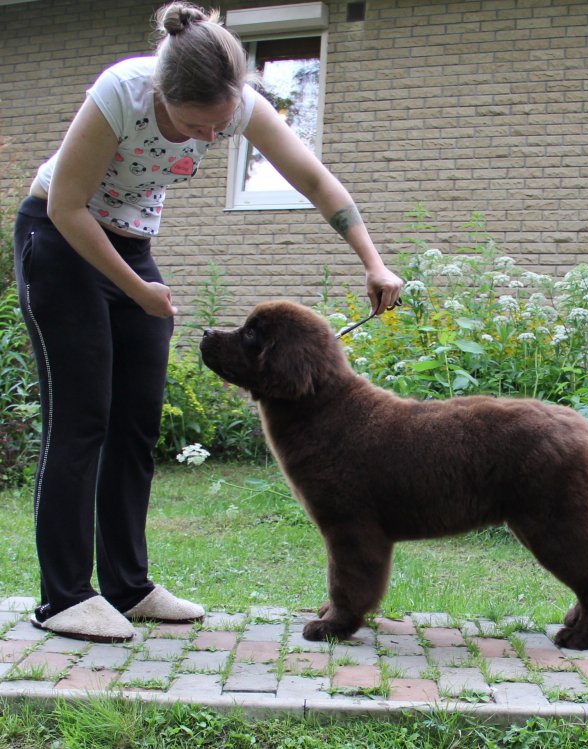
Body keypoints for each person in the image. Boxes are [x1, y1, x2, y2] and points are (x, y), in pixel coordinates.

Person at [13, 1, 403, 643]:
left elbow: (311, 175)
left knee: (135, 423)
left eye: (220, 128)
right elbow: (66, 205)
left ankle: (128, 587)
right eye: (197, 126)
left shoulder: (236, 105)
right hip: (60, 242)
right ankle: (63, 597)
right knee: (81, 420)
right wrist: (138, 288)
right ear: (163, 95)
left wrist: (374, 261)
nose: (208, 139)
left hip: (131, 247)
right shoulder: (120, 93)